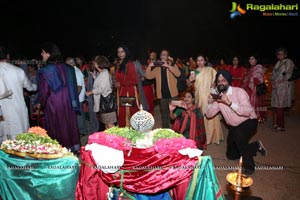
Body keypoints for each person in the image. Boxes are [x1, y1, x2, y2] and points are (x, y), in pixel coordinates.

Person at [206, 70, 267, 175]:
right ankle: (256, 146)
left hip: (249, 121)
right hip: (234, 126)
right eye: (218, 80)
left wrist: (229, 103)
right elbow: (209, 114)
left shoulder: (239, 92)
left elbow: (247, 112)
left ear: (228, 81)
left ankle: (249, 166)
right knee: (231, 155)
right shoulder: (218, 98)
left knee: (240, 137)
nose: (221, 82)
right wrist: (210, 103)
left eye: (223, 80)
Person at [36, 42, 80, 153]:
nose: (42, 55)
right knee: (68, 123)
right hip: (68, 100)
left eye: (43, 52)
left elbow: (45, 90)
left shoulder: (47, 70)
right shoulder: (68, 68)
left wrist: (39, 102)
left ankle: (57, 149)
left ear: (48, 54)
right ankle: (71, 148)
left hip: (54, 102)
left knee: (57, 125)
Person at [0, 46, 37, 143]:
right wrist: (38, 86)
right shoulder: (18, 71)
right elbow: (30, 87)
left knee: (4, 140)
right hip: (17, 111)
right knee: (20, 140)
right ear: (7, 56)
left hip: (2, 112)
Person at [189, 54, 224, 145]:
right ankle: (202, 137)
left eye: (201, 60)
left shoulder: (210, 70)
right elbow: (189, 85)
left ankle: (212, 136)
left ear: (205, 61)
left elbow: (218, 80)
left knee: (210, 113)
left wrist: (215, 84)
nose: (200, 62)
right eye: (198, 60)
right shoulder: (194, 72)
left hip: (209, 95)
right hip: (199, 96)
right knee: (201, 114)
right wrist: (190, 80)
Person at [145, 49, 181, 128]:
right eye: (161, 54)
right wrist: (149, 66)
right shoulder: (157, 68)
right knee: (164, 116)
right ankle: (166, 133)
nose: (162, 56)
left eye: (165, 54)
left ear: (168, 57)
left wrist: (168, 66)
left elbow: (178, 74)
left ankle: (177, 131)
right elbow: (148, 76)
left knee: (175, 115)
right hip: (162, 96)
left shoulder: (172, 65)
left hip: (173, 95)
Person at [86, 55, 117, 129]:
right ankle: (109, 140)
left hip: (107, 103)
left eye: (95, 61)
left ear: (99, 63)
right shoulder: (102, 73)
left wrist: (90, 92)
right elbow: (102, 82)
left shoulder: (104, 73)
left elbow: (101, 88)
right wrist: (95, 77)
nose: (94, 63)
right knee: (106, 124)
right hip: (104, 103)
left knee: (110, 125)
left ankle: (113, 140)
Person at [114, 45, 139, 127]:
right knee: (122, 114)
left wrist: (121, 84)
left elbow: (134, 80)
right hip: (121, 92)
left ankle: (132, 135)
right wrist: (116, 84)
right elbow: (119, 79)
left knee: (128, 115)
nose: (120, 54)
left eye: (122, 52)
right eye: (118, 52)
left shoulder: (129, 64)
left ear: (126, 53)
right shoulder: (119, 64)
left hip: (128, 92)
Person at [271, 48, 295, 131]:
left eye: (282, 54)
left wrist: (278, 82)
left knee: (280, 106)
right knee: (277, 105)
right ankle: (277, 123)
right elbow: (273, 75)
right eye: (278, 54)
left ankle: (281, 126)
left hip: (283, 86)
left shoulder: (288, 62)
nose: (280, 55)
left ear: (285, 55)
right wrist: (273, 82)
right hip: (276, 87)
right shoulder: (277, 63)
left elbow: (288, 74)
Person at [65, 57, 87, 136]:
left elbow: (79, 87)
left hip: (78, 97)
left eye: (67, 64)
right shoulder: (73, 70)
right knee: (79, 115)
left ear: (72, 64)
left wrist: (74, 98)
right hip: (78, 97)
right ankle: (81, 130)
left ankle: (81, 131)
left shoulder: (75, 71)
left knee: (79, 116)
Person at [243, 55, 266, 123]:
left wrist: (249, 78)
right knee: (249, 102)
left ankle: (258, 117)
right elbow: (247, 77)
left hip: (255, 89)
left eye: (252, 59)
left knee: (256, 103)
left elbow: (260, 79)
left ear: (256, 60)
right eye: (249, 59)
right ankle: (250, 116)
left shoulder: (259, 67)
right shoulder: (250, 68)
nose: (250, 60)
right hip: (249, 89)